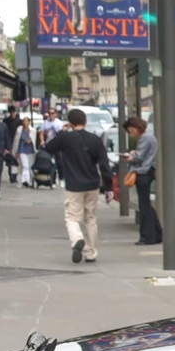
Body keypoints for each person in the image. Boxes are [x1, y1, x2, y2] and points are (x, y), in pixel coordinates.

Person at [37, 105, 113, 263]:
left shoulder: (65, 138)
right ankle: (90, 252)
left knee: (72, 217)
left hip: (73, 184)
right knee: (91, 219)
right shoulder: (95, 140)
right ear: (85, 121)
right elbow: (105, 166)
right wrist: (108, 188)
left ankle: (77, 239)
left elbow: (48, 148)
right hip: (92, 184)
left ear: (70, 123)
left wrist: (62, 132)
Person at [121, 115, 163, 245]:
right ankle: (156, 233)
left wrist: (129, 157)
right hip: (148, 170)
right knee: (146, 205)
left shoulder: (144, 138)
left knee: (144, 205)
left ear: (136, 127)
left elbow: (139, 158)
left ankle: (147, 236)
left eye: (131, 130)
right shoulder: (149, 137)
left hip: (143, 172)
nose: (131, 134)